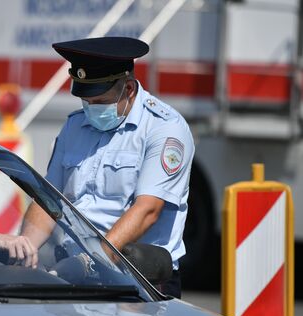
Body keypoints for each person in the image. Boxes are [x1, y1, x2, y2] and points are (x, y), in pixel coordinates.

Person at [21, 37, 194, 298]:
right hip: (69, 274)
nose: (92, 109)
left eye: (100, 102)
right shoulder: (74, 126)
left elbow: (147, 209)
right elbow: (49, 199)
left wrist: (92, 261)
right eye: (86, 102)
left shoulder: (164, 129)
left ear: (129, 89)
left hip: (135, 282)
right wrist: (24, 250)